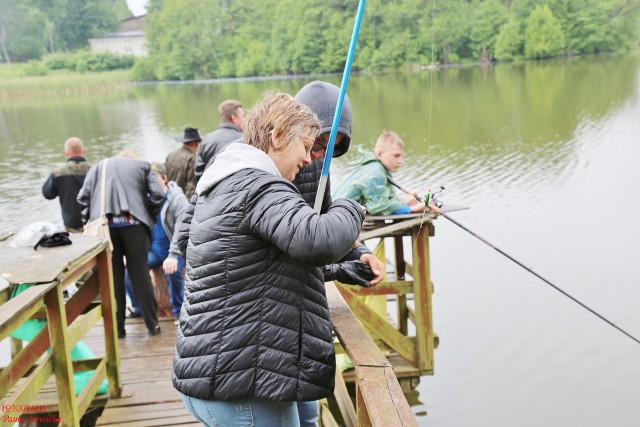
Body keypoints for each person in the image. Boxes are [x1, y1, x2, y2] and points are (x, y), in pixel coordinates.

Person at [173, 91, 366, 427]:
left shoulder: (229, 180)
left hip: (218, 373)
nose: (310, 159)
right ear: (277, 136)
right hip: (241, 386)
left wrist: (351, 264)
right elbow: (316, 239)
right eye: (306, 147)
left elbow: (271, 266)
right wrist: (352, 207)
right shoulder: (258, 186)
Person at [77, 150, 164, 338]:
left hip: (106, 229)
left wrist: (89, 220)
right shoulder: (143, 166)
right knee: (141, 276)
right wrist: (147, 214)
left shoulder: (98, 167)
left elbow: (82, 198)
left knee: (113, 279)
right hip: (134, 227)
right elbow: (158, 194)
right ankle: (152, 325)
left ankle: (118, 329)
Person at [124, 163, 190, 322]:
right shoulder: (146, 200)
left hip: (177, 249)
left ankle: (178, 312)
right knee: (129, 272)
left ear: (164, 178)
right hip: (153, 251)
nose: (151, 183)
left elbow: (183, 227)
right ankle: (139, 308)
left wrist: (173, 255)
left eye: (154, 179)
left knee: (172, 272)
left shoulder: (177, 198)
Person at [334, 130, 440, 215]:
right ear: (380, 154)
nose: (400, 161)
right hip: (337, 215)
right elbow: (378, 208)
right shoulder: (376, 173)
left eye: (402, 156)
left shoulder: (378, 166)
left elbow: (388, 196)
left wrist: (404, 202)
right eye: (396, 156)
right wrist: (413, 209)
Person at [42, 137, 91, 233]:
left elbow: (47, 194)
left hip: (72, 225)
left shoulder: (58, 172)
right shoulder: (94, 170)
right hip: (92, 222)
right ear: (83, 151)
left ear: (66, 153)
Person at [194, 99, 244, 183]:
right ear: (234, 118)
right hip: (238, 193)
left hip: (211, 191)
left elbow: (199, 173)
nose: (244, 119)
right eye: (242, 116)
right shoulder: (244, 140)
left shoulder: (206, 140)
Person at [166, 127, 201, 199]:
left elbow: (165, 178)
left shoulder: (171, 154)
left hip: (170, 198)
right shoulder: (192, 158)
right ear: (196, 143)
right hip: (182, 200)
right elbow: (191, 187)